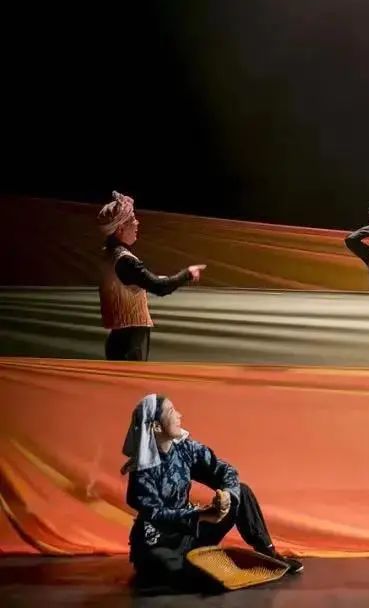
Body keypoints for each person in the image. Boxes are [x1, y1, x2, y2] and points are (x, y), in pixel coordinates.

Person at [122, 394, 303, 587]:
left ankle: (268, 552)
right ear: (157, 427)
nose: (179, 415)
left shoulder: (186, 450)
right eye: (171, 411)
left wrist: (226, 495)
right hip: (159, 542)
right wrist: (201, 515)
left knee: (241, 491)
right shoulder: (142, 470)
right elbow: (156, 514)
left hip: (190, 535)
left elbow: (225, 470)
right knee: (167, 571)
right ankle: (192, 567)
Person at [97, 191, 205, 361]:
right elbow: (160, 287)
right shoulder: (125, 260)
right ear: (120, 228)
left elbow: (134, 284)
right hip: (131, 342)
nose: (137, 223)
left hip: (118, 338)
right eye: (132, 219)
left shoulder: (109, 256)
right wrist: (188, 274)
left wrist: (157, 279)